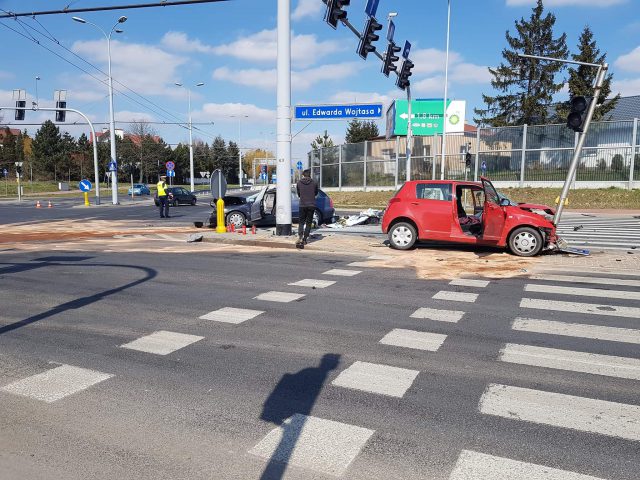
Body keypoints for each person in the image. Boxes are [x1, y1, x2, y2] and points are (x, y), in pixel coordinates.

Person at [296, 169, 318, 249]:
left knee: (301, 222)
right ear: (310, 175)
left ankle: (300, 236)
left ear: (303, 175)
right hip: (311, 205)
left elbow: (298, 194)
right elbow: (316, 193)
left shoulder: (299, 183)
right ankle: (305, 239)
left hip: (302, 205)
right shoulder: (314, 183)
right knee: (309, 222)